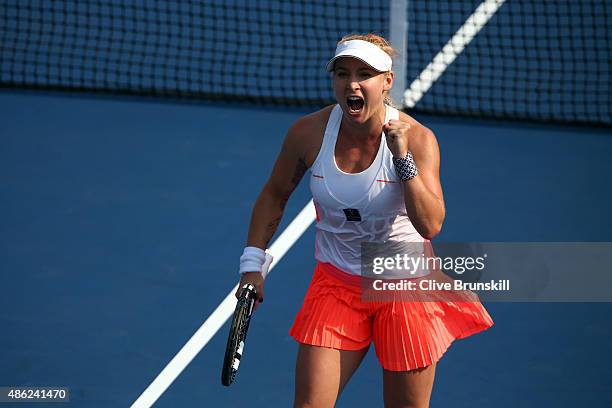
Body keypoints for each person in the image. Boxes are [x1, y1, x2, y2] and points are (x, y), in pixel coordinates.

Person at [236, 33, 493, 408]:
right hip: (336, 286)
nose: (351, 83)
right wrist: (251, 265)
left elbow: (431, 225)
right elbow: (274, 195)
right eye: (342, 74)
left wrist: (401, 157)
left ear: (387, 81)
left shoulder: (418, 140)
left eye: (364, 74)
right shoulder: (307, 134)